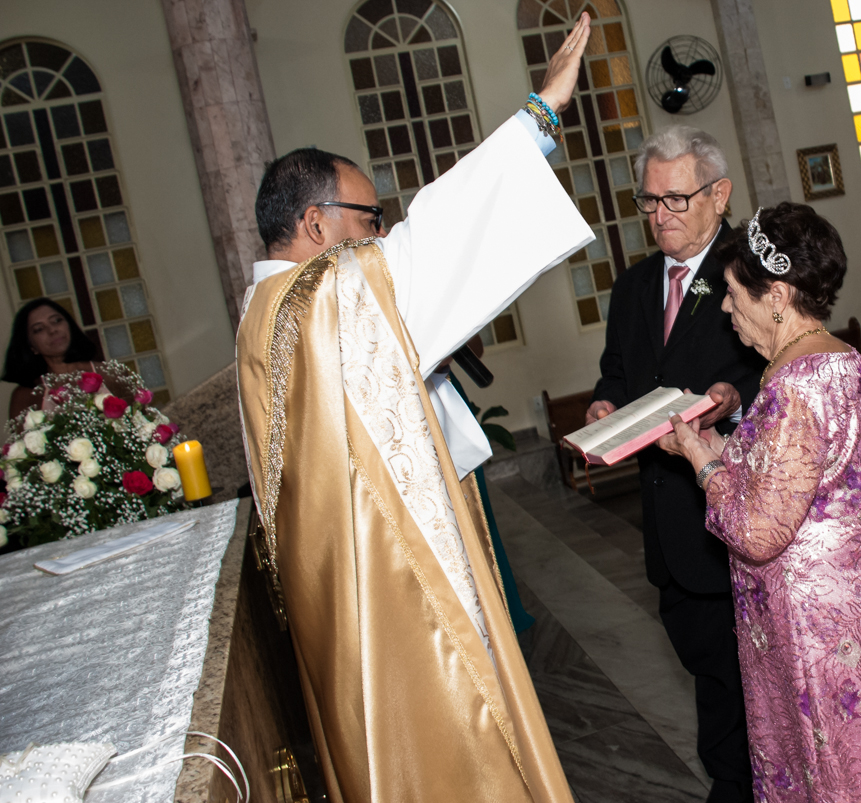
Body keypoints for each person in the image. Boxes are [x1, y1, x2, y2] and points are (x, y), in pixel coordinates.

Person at [237, 16, 594, 803]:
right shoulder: (324, 299)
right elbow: (433, 239)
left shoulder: (260, 314)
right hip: (399, 612)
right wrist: (542, 112)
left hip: (345, 614)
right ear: (314, 223)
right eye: (368, 221)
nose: (380, 236)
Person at [659, 203, 861, 802]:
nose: (728, 309)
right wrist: (721, 443)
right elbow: (802, 479)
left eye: (734, 294)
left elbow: (759, 531)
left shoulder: (793, 386)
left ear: (778, 294)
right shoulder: (843, 361)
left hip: (815, 626)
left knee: (832, 772)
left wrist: (702, 462)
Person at [587, 126, 764, 803]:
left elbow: (776, 364)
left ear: (719, 195)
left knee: (746, 676)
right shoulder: (632, 286)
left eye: (676, 199)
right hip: (666, 520)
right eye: (649, 201)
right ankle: (733, 776)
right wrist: (607, 402)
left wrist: (735, 398)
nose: (659, 214)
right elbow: (618, 371)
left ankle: (745, 786)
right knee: (708, 669)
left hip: (736, 513)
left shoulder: (747, 272)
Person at [3, 298, 100, 420]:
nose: (52, 330)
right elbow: (19, 438)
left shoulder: (108, 373)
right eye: (39, 329)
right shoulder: (25, 395)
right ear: (31, 346)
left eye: (56, 320)